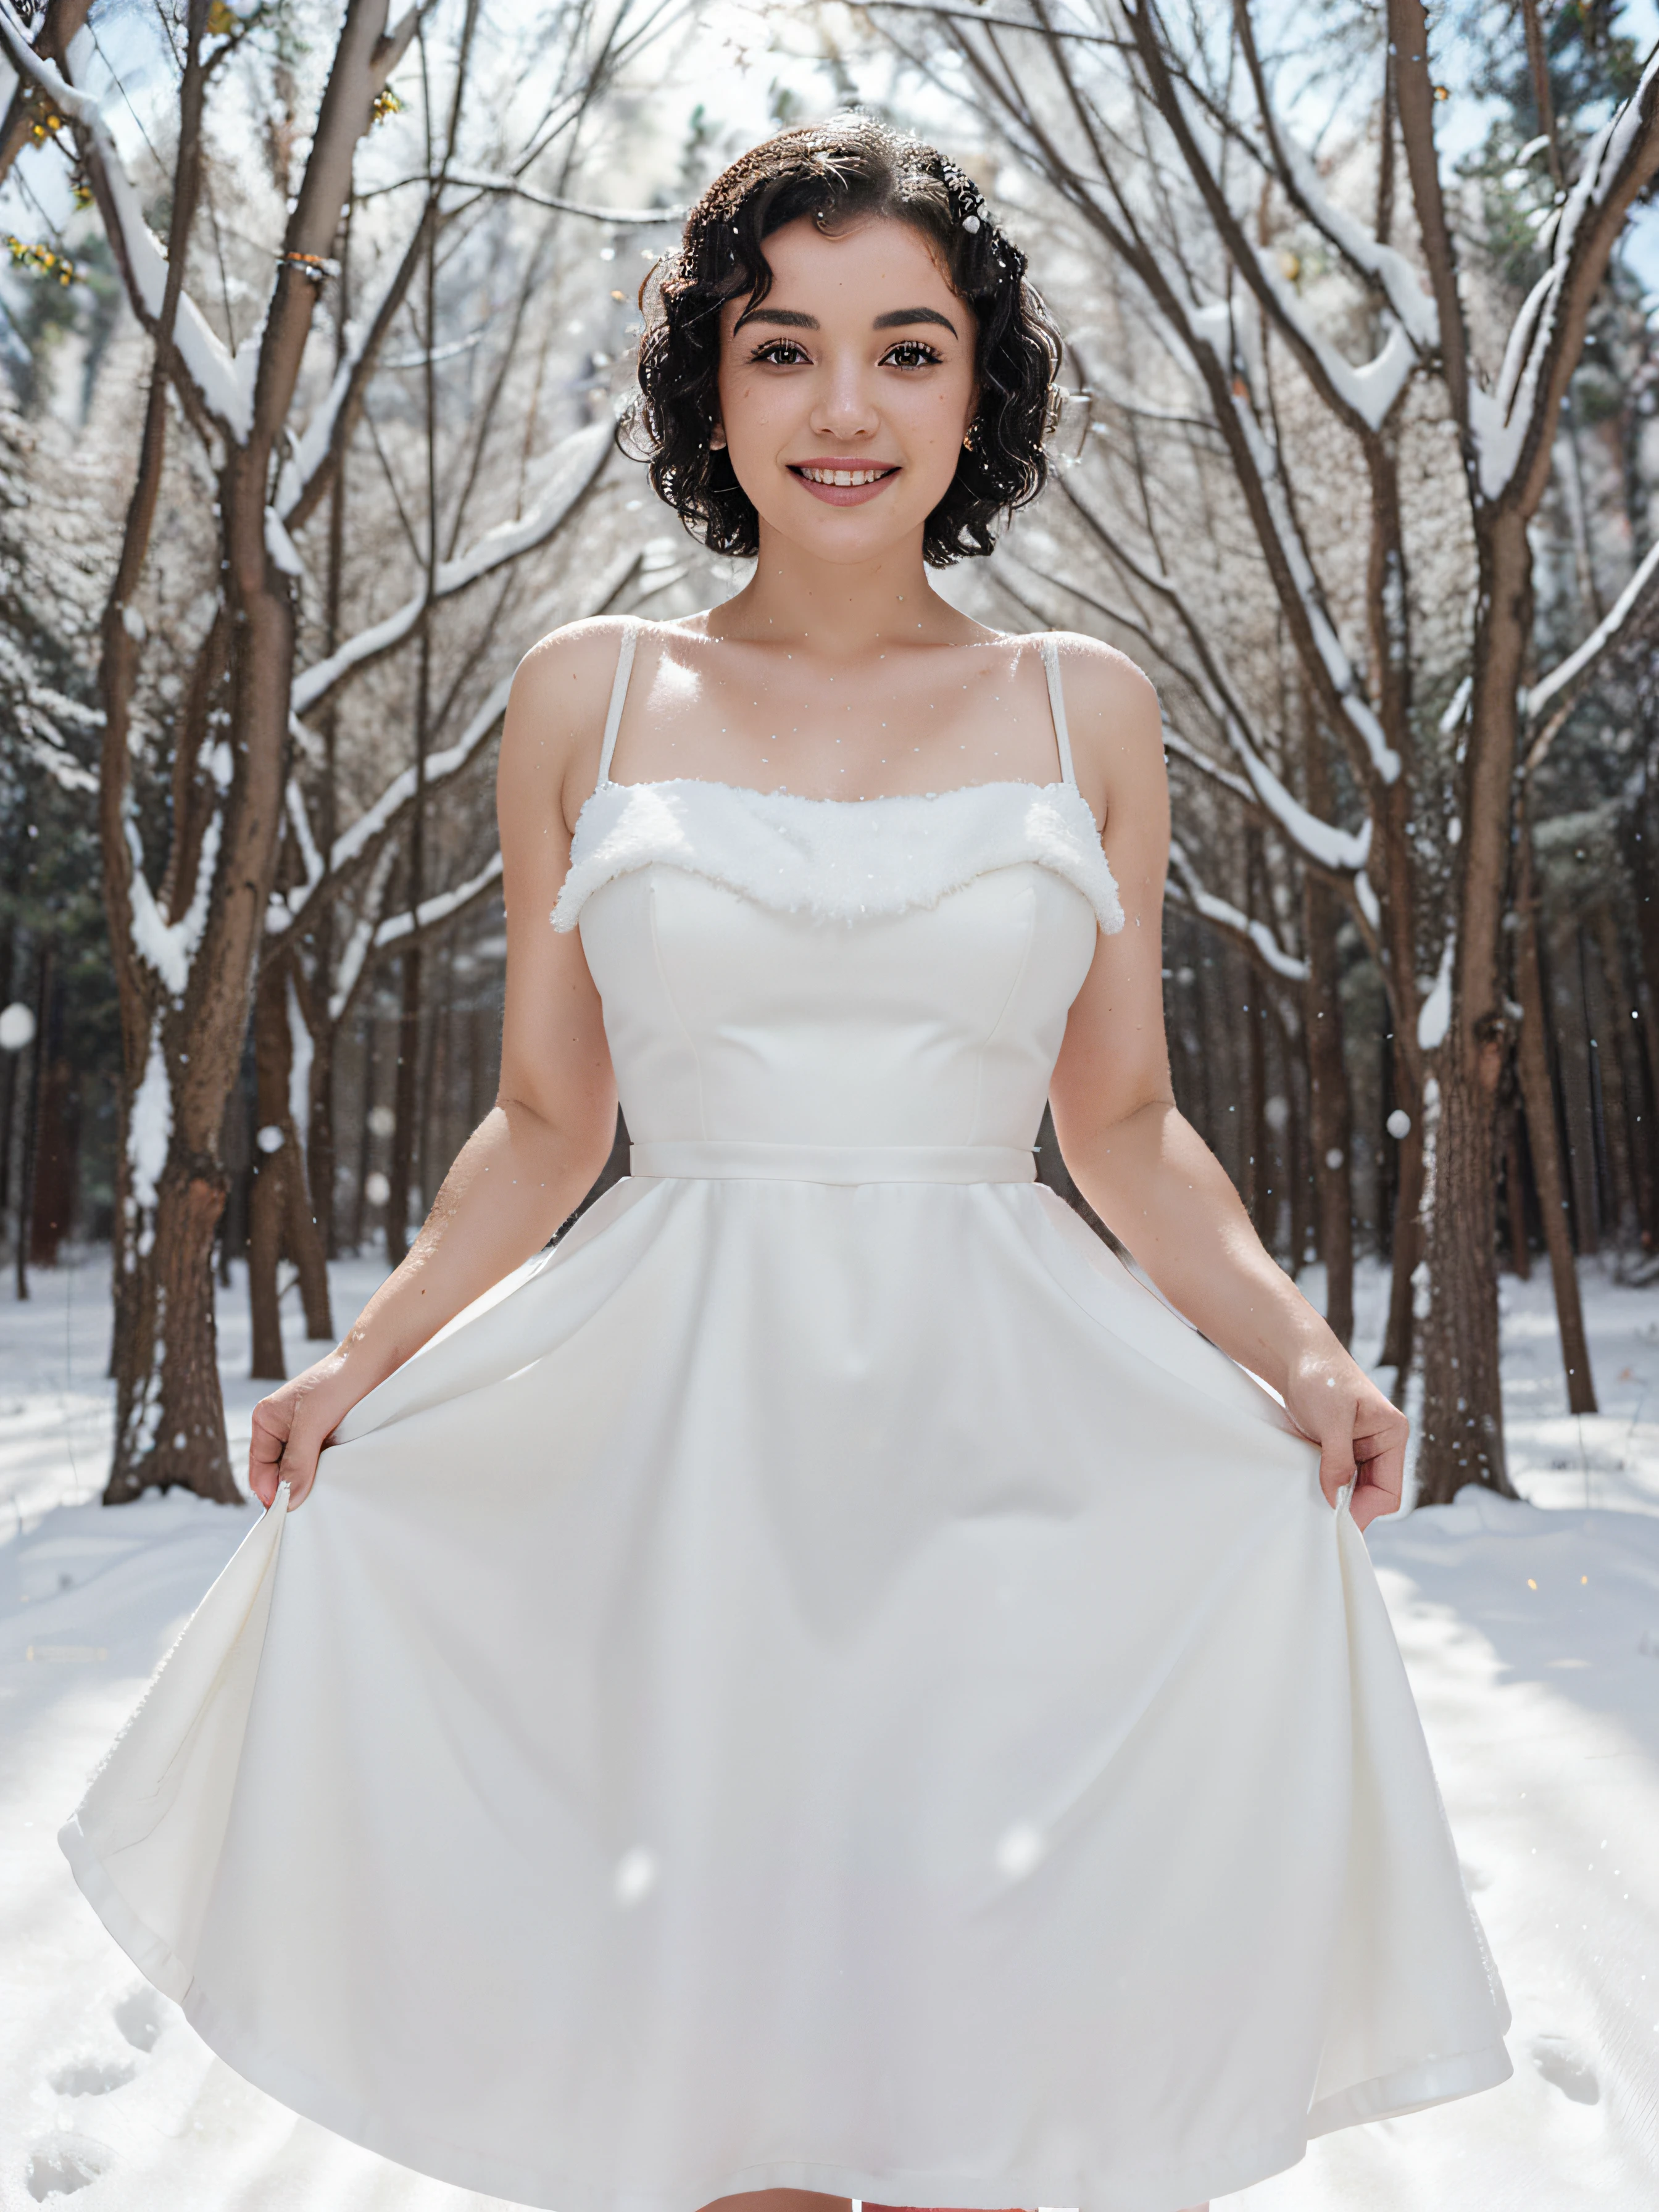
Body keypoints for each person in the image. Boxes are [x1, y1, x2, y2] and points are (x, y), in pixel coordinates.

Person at [61, 117, 1510, 2212]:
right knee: (721, 2078)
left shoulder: (1084, 706)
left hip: (1005, 1458)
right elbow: (551, 1117)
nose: (846, 409)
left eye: (908, 351)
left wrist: (1302, 1359)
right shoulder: (589, 695)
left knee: (960, 2070)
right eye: (783, 347)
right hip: (679, 1463)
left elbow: (1119, 1119)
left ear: (980, 390)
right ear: (707, 384)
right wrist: (359, 1360)